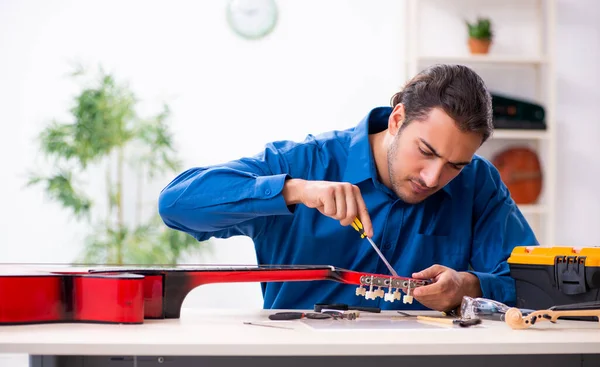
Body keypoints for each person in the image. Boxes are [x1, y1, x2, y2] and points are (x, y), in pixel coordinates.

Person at [158, 64, 538, 313]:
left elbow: (533, 283)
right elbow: (176, 204)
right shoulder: (303, 165)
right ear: (397, 119)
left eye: (455, 165)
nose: (432, 178)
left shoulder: (478, 183)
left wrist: (468, 285)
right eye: (425, 152)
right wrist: (292, 191)